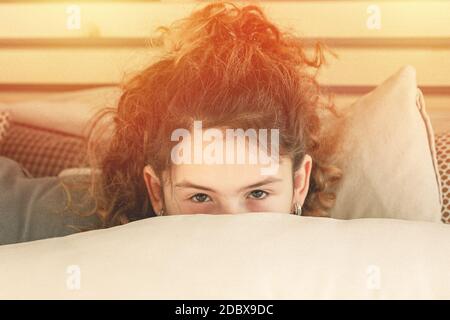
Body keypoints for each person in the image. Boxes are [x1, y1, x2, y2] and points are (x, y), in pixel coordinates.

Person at [0, 1, 344, 245]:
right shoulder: (70, 222)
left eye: (257, 192)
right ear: (155, 192)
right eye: (200, 198)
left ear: (299, 183)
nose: (231, 231)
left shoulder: (347, 256)